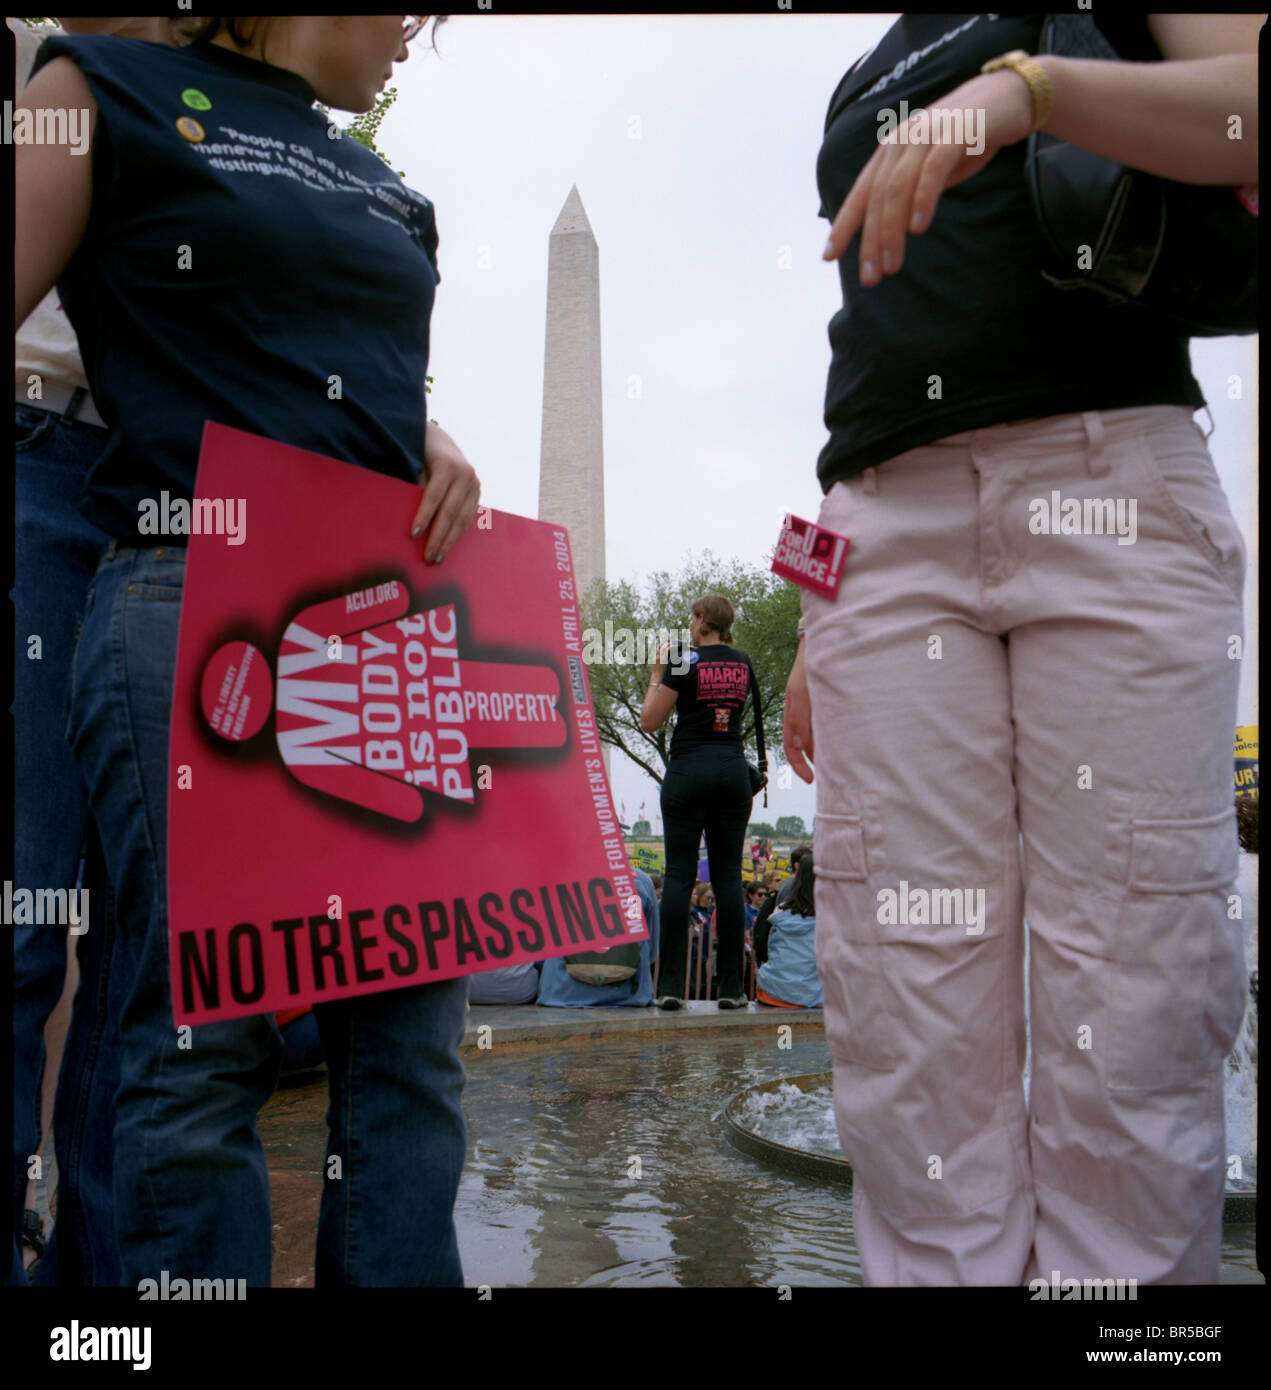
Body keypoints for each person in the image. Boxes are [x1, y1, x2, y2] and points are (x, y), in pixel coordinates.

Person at [783, 13, 1257, 1285]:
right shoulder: (863, 62)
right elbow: (874, 353)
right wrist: (813, 600)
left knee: (1134, 996)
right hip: (878, 522)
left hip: (1105, 479)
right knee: (899, 1013)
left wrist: (1032, 94)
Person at [16, 14, 480, 1288]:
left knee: (413, 1058)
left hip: (386, 623)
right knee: (198, 1048)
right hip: (194, 595)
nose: (409, 42)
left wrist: (429, 441)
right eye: (406, 16)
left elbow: (331, 365)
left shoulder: (389, 181)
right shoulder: (95, 85)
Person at [10, 13, 187, 1289]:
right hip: (27, 456)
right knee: (22, 918)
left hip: (163, 495)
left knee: (141, 954)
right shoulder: (46, 60)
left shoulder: (223, 95)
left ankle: (101, 1306)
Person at [641, 594, 758, 1011]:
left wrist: (657, 673)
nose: (689, 624)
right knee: (728, 879)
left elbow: (650, 720)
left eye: (692, 617)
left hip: (689, 771)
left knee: (678, 877)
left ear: (702, 618)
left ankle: (670, 986)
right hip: (731, 772)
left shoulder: (683, 663)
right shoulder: (742, 662)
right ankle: (731, 988)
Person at [537, 868, 661, 1008]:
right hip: (630, 996)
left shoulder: (558, 878)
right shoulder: (642, 881)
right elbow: (652, 949)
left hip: (560, 995)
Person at [755, 854, 821, 1009]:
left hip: (771, 992)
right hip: (809, 996)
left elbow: (769, 951)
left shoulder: (780, 912)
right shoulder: (830, 919)